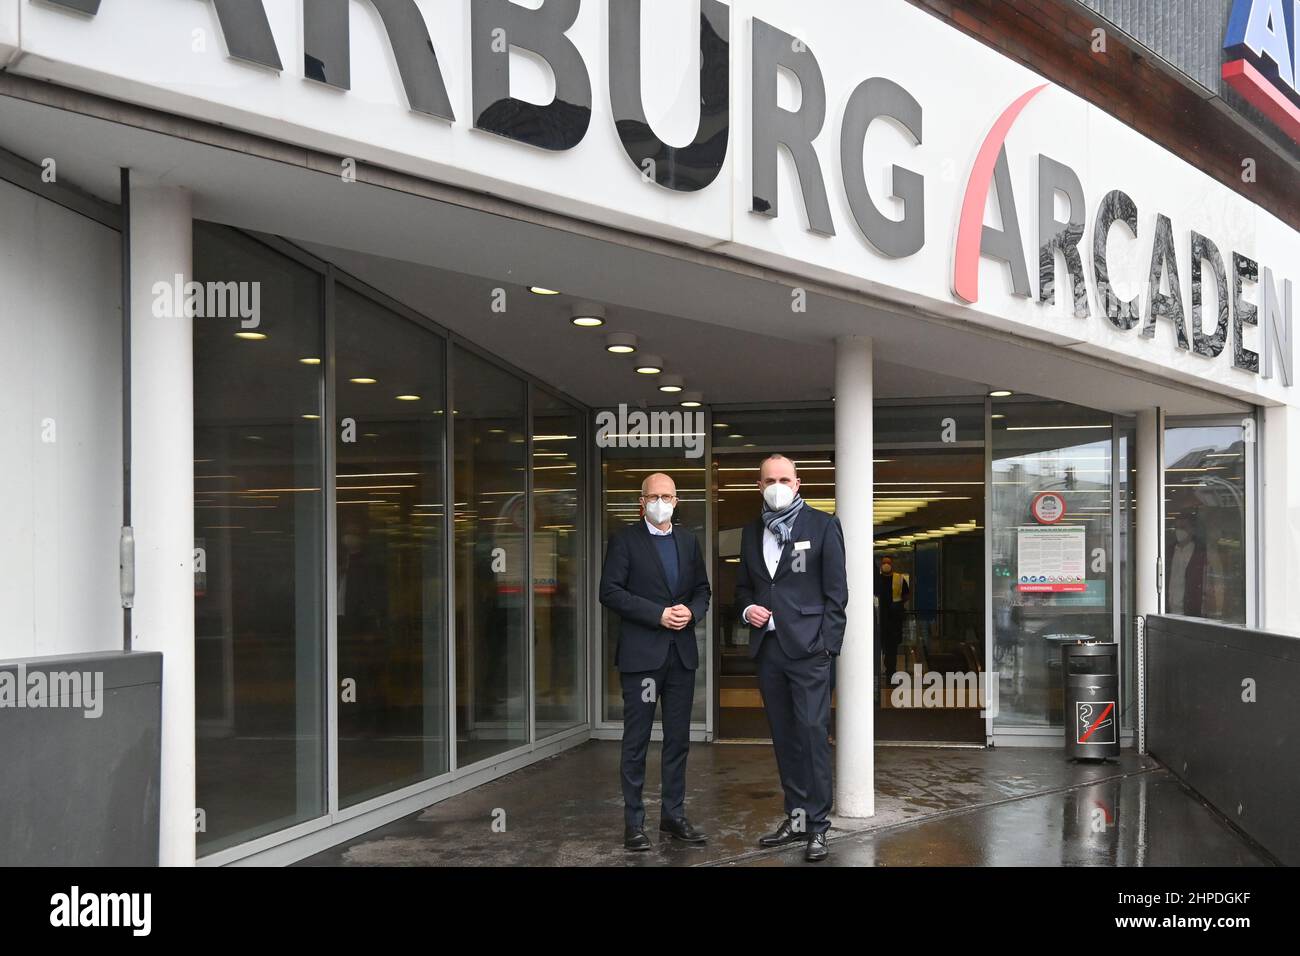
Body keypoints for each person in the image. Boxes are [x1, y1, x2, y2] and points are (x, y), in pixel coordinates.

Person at [736, 454, 848, 862]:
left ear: (798, 483)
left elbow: (837, 594)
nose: (777, 485)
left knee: (813, 735)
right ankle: (796, 818)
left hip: (809, 652)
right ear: (759, 485)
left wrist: (827, 646)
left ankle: (818, 827)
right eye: (770, 479)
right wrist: (748, 610)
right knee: (784, 739)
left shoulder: (823, 525)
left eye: (785, 478)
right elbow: (744, 589)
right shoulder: (751, 532)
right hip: (768, 651)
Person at [599, 472, 711, 851]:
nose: (661, 501)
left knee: (678, 740)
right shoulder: (625, 540)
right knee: (637, 741)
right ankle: (634, 824)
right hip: (642, 659)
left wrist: (691, 614)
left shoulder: (688, 540)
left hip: (681, 657)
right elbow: (609, 591)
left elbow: (702, 590)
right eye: (654, 496)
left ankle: (673, 816)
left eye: (667, 495)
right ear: (641, 501)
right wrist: (658, 614)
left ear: (676, 501)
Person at [1167, 512, 1222, 618]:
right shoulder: (1168, 552)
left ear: (1192, 529)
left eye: (1183, 527)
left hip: (1191, 612)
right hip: (1168, 611)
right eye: (1177, 527)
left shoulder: (1201, 553)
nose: (1179, 531)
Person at [874, 555, 910, 692]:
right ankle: (876, 675)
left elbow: (906, 595)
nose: (886, 565)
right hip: (879, 619)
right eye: (884, 563)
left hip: (894, 620)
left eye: (888, 563)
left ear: (892, 564)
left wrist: (899, 605)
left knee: (891, 651)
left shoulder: (899, 578)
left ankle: (890, 676)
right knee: (878, 649)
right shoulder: (876, 579)